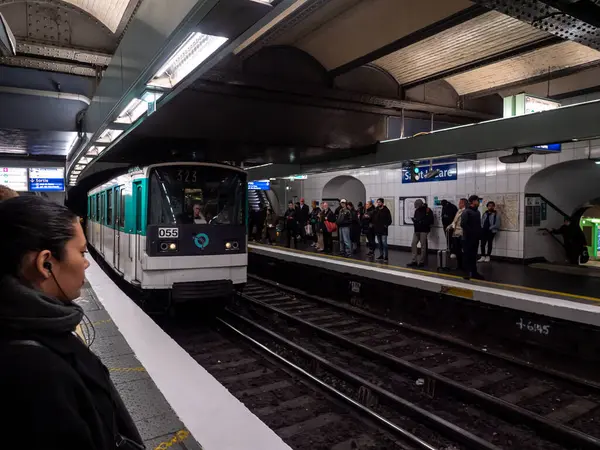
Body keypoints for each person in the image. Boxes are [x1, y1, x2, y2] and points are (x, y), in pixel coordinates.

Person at [0, 196, 143, 450]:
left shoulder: (26, 329)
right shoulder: (37, 371)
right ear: (46, 263)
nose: (86, 263)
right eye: (81, 252)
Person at [461, 195, 484, 280]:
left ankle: (474, 272)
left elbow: (478, 225)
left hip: (475, 238)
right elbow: (463, 224)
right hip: (468, 238)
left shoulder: (477, 212)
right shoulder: (466, 212)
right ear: (473, 201)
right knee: (468, 256)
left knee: (474, 255)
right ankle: (467, 273)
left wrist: (479, 234)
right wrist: (471, 232)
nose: (478, 203)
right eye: (478, 201)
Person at [407, 199, 434, 268]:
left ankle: (422, 261)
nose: (416, 208)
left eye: (417, 206)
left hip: (424, 230)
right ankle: (414, 261)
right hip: (417, 230)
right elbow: (416, 218)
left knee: (423, 246)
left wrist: (421, 222)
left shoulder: (428, 210)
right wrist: (415, 221)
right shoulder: (417, 211)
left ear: (420, 205)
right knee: (413, 244)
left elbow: (431, 221)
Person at [447, 198, 467, 270]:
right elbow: (454, 221)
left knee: (463, 250)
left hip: (462, 233)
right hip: (456, 233)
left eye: (460, 203)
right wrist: (450, 226)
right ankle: (459, 265)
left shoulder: (465, 212)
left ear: (463, 203)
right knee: (457, 250)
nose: (459, 204)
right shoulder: (459, 211)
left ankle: (464, 265)